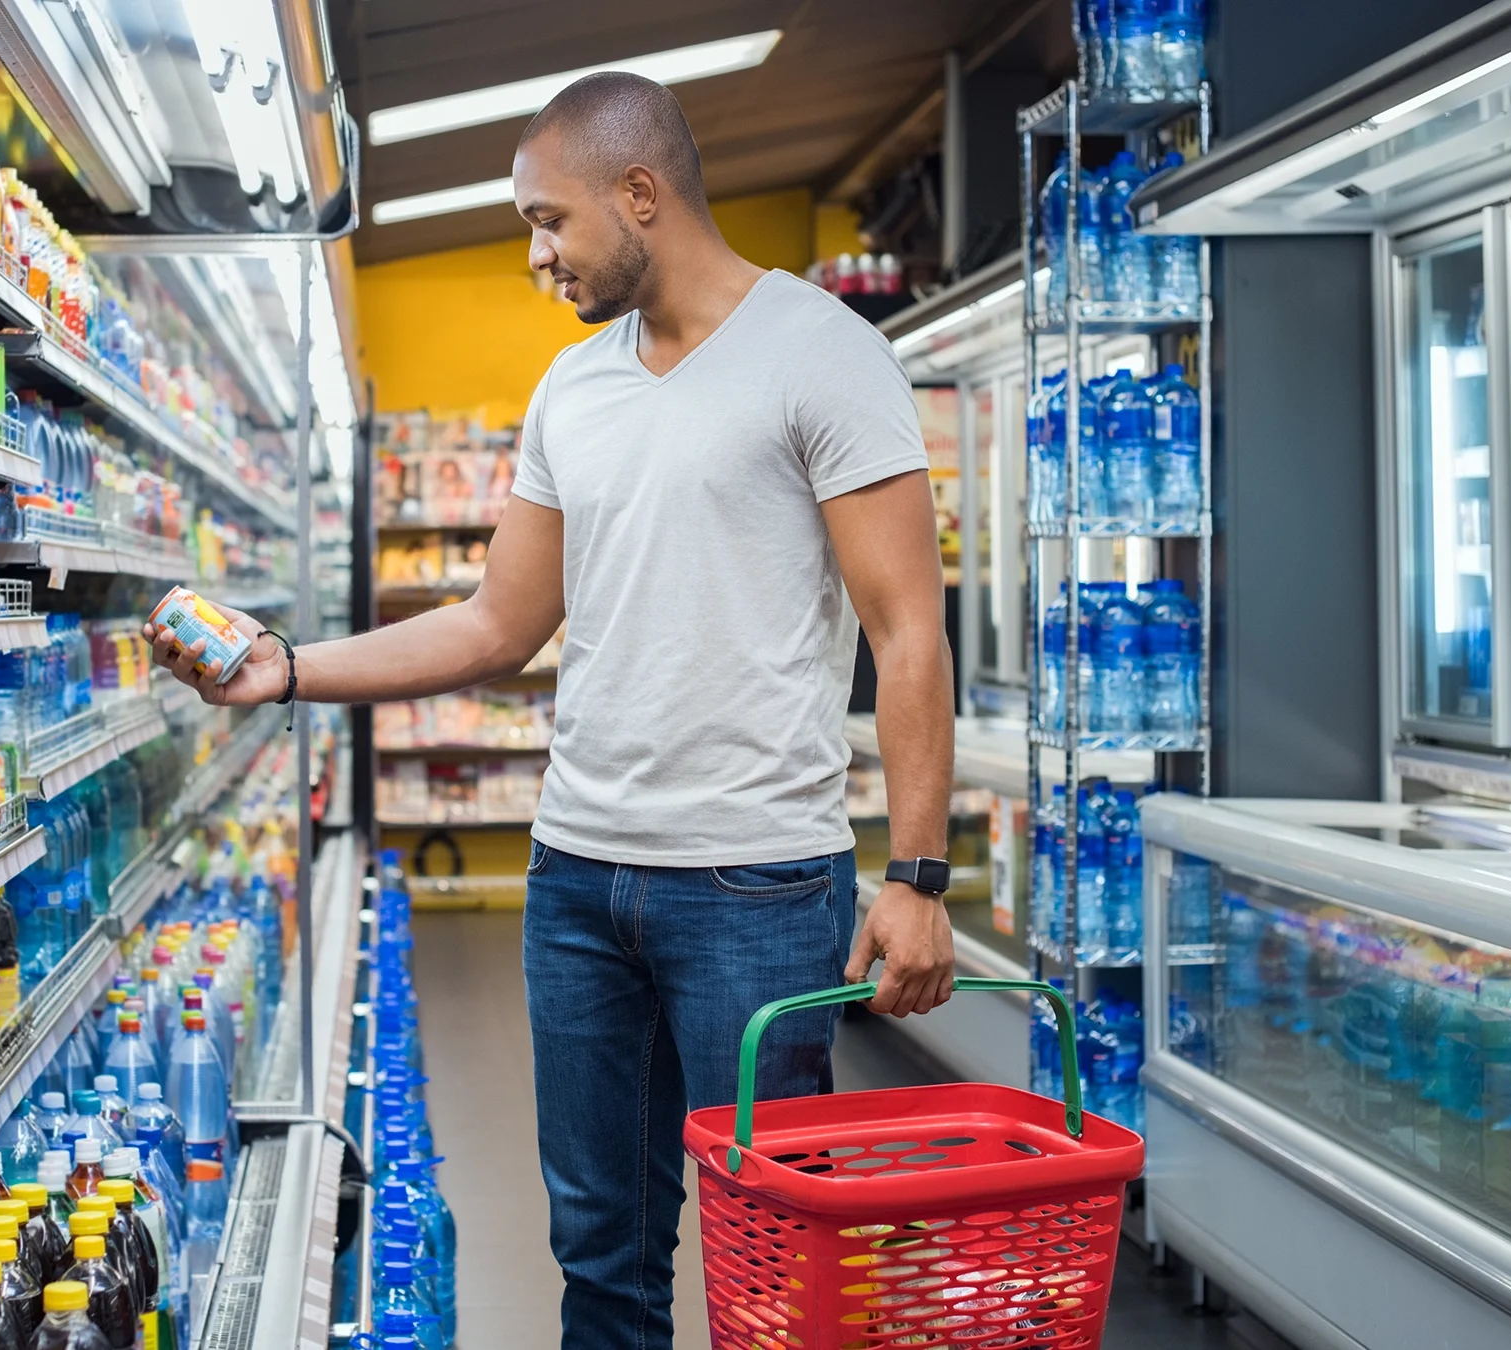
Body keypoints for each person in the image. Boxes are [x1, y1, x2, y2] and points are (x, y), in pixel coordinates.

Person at [148, 70, 956, 1350]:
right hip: (578, 883)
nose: (534, 257)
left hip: (754, 887)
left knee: (779, 1269)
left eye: (548, 221)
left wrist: (916, 873)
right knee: (600, 1256)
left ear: (641, 195)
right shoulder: (572, 391)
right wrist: (286, 669)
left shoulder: (822, 353)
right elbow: (493, 625)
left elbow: (909, 627)